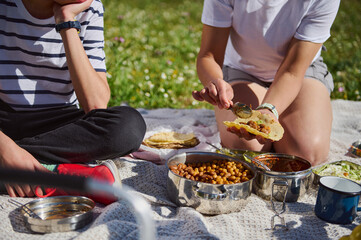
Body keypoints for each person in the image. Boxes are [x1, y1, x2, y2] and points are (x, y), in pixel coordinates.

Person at [0, 0, 146, 200]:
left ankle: (16, 169)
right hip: (4, 121)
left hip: (60, 128)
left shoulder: (89, 9)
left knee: (127, 127)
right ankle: (56, 176)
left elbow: (95, 104)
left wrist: (67, 22)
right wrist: (5, 148)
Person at [192, 0, 340, 166]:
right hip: (242, 70)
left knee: (306, 155)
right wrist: (215, 81)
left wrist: (269, 109)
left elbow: (292, 71)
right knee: (247, 149)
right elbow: (209, 55)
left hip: (301, 72)